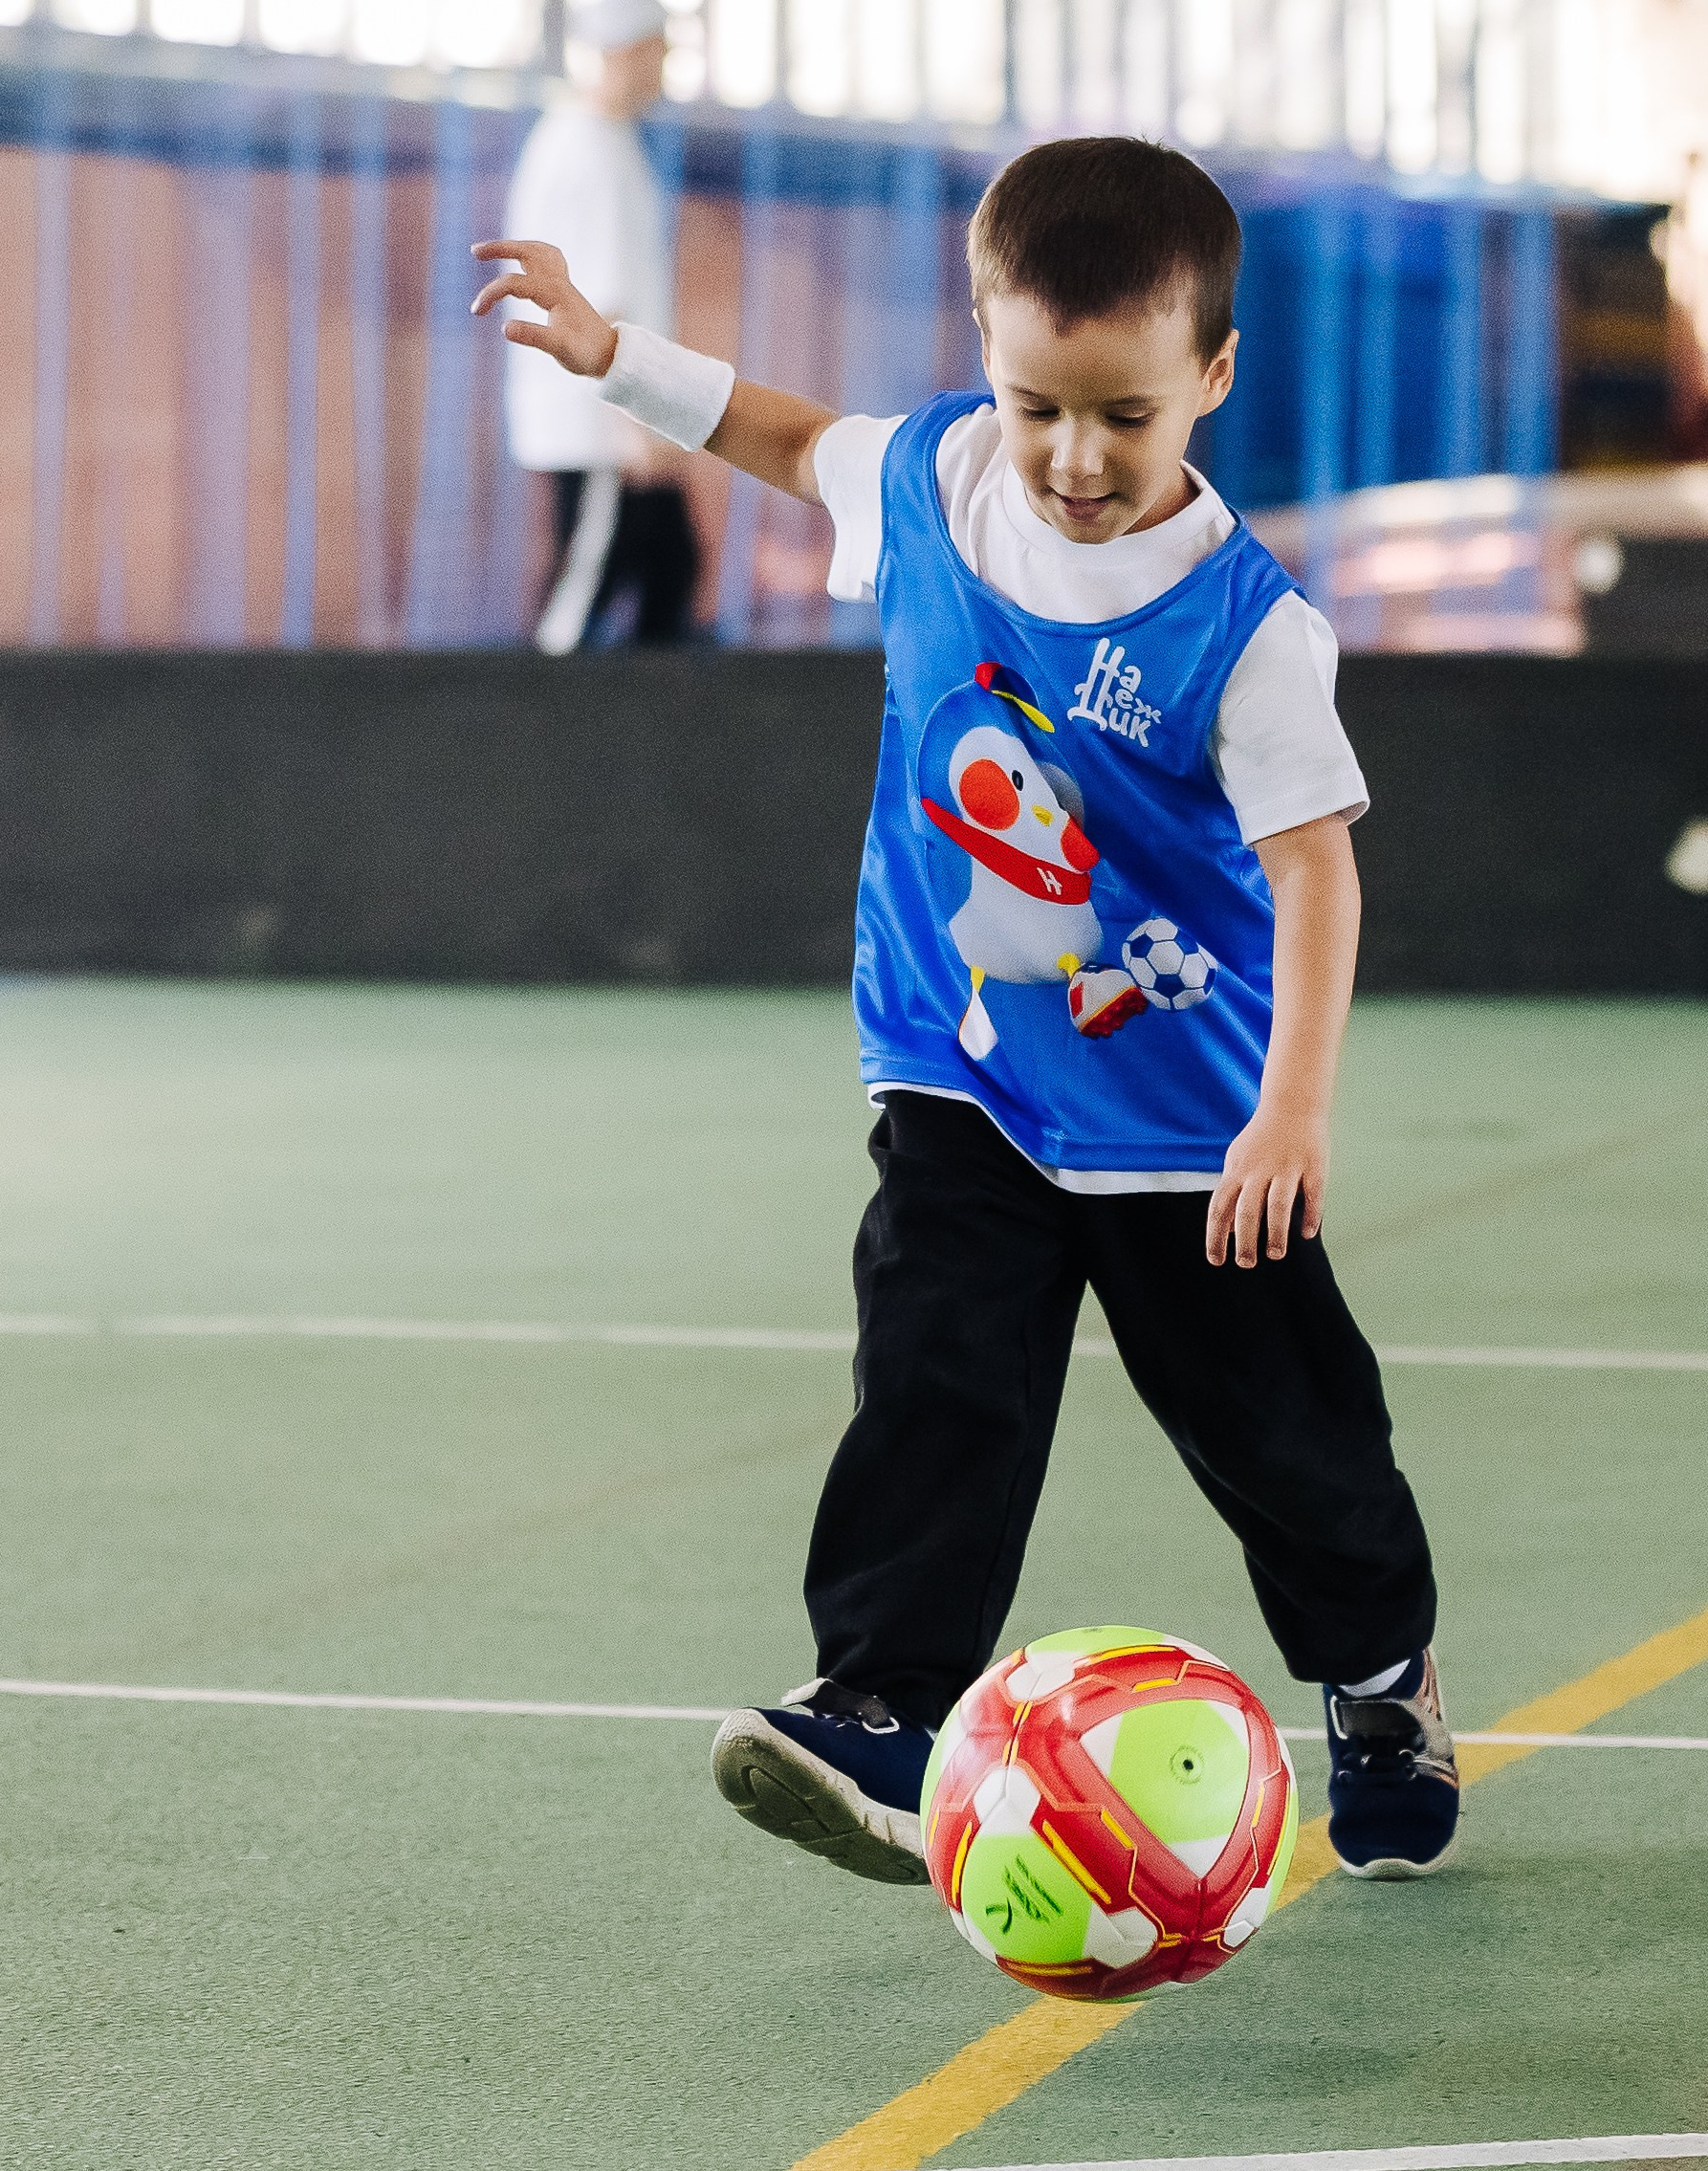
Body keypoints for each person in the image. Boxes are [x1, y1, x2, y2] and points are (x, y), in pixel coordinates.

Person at [471, 137, 1458, 1884]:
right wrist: (614, 353)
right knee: (936, 1375)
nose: (1074, 456)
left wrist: (1290, 1108)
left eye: (1125, 416)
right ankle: (879, 1698)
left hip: (1186, 1123)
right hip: (963, 1065)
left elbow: (1317, 872)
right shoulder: (936, 477)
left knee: (1288, 1442)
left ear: (1213, 377)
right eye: (1036, 405)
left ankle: (1380, 1675)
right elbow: (792, 440)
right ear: (984, 353)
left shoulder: (1247, 634)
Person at [501, 0, 698, 651]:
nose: (665, 66)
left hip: (609, 417)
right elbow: (598, 308)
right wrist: (635, 424)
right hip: (599, 426)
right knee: (580, 600)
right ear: (629, 51)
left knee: (671, 564)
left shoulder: (602, 142)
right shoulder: (588, 150)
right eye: (659, 50)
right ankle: (538, 711)